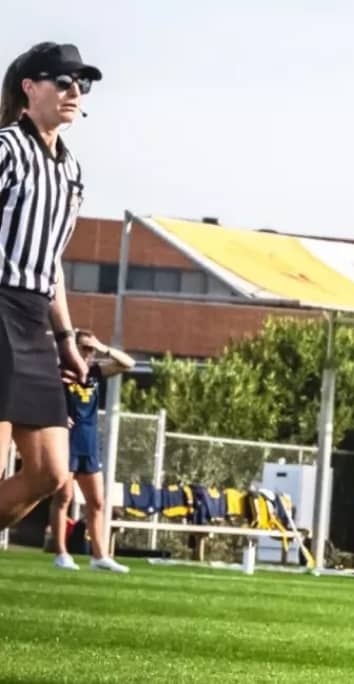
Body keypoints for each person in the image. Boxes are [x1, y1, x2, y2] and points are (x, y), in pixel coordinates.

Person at [0, 43, 100, 532]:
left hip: (35, 319)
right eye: (62, 81)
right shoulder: (5, 150)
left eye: (81, 83)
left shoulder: (73, 172)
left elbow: (53, 261)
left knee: (50, 472)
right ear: (29, 88)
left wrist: (66, 339)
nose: (73, 91)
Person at [48, 330, 131, 573]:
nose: (88, 353)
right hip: (67, 441)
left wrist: (103, 347)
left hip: (90, 442)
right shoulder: (59, 373)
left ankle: (99, 556)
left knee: (97, 502)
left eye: (90, 349)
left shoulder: (94, 373)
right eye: (84, 348)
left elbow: (128, 364)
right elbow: (39, 397)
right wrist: (58, 415)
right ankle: (61, 553)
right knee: (63, 498)